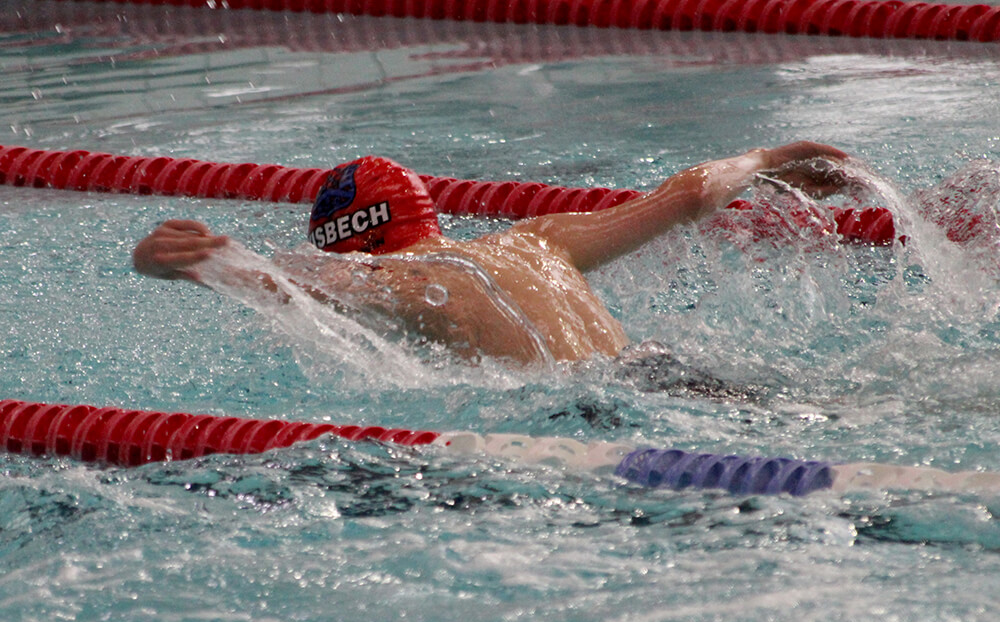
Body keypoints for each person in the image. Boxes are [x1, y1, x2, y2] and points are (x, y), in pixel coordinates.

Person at [133, 141, 849, 366]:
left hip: (592, 425)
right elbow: (688, 195)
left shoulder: (405, 281)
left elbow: (305, 283)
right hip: (661, 373)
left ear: (357, 244)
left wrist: (205, 263)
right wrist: (770, 158)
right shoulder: (536, 240)